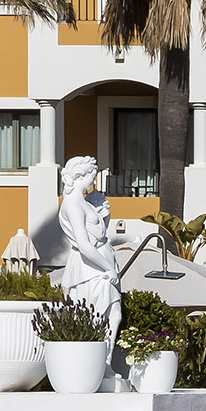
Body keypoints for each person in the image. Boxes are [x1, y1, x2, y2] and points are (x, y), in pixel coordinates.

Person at [50, 156, 122, 370]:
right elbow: (84, 244)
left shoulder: (84, 202)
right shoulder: (72, 205)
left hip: (101, 264)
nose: (95, 179)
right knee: (97, 315)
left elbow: (100, 234)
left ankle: (106, 366)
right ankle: (95, 367)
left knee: (114, 314)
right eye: (93, 174)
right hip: (90, 269)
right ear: (81, 175)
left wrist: (104, 213)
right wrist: (108, 268)